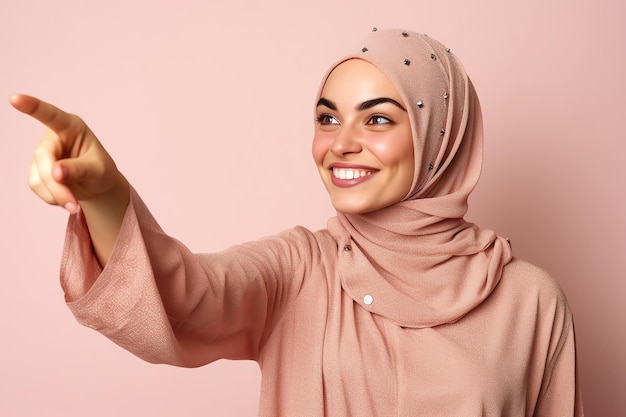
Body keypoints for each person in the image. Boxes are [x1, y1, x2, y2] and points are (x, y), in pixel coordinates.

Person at [11, 28, 583, 416]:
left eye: (378, 118)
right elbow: (183, 297)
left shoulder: (530, 302)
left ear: (440, 138)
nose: (341, 145)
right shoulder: (300, 270)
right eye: (327, 118)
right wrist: (107, 195)